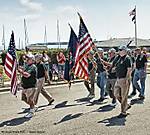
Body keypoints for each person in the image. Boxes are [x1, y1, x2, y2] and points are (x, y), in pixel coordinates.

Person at [113, 45, 132, 118]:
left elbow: (129, 70)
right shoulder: (119, 58)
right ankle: (126, 105)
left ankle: (123, 112)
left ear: (125, 51)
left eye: (121, 50)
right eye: (119, 50)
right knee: (116, 94)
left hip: (124, 79)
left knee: (124, 97)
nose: (119, 51)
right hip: (118, 79)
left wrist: (127, 79)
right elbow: (116, 67)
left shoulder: (127, 58)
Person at [18, 54, 37, 118]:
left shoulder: (33, 66)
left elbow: (27, 75)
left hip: (31, 86)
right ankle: (33, 107)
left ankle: (32, 112)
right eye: (26, 58)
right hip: (25, 86)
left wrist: (21, 71)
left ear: (32, 60)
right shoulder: (27, 66)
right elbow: (23, 74)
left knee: (30, 100)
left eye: (28, 59)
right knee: (23, 98)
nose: (26, 60)